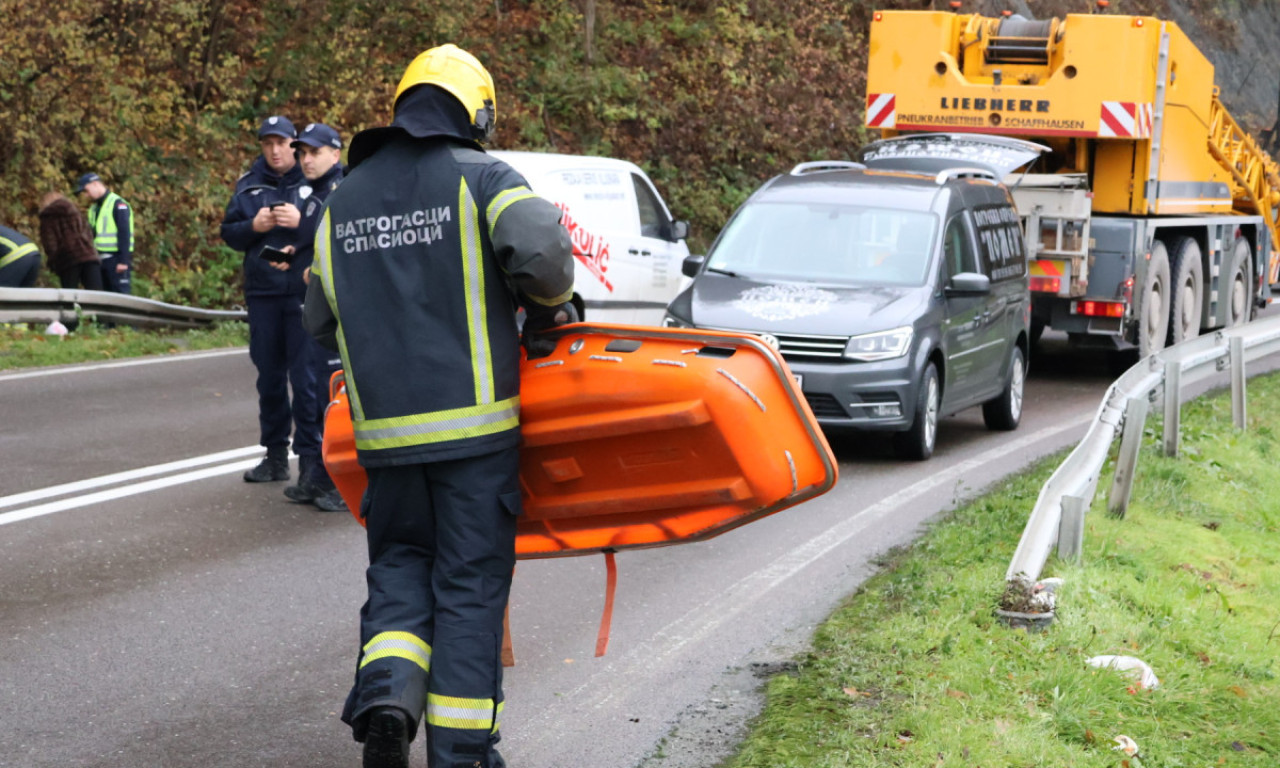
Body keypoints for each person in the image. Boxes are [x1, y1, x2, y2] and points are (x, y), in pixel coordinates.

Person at [303, 44, 575, 768]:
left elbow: (316, 319)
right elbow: (542, 254)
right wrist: (548, 308)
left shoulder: (344, 199)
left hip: (385, 444)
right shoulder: (482, 177)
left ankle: (388, 698)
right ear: (477, 110)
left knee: (398, 569)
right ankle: (461, 752)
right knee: (467, 588)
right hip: (475, 442)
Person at [220, 115, 321, 485]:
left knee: (306, 378)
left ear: (294, 144)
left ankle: (311, 459)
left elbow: (335, 225)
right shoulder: (248, 186)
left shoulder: (316, 181)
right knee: (270, 377)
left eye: (282, 143)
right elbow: (228, 233)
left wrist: (300, 222)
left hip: (303, 292)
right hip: (263, 293)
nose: (275, 151)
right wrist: (253, 227)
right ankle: (275, 455)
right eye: (268, 144)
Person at [280, 122, 348, 513]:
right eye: (302, 153)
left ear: (334, 154)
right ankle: (316, 475)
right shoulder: (313, 195)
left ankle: (344, 482)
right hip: (310, 311)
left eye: (314, 152)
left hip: (335, 315)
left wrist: (321, 271)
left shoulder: (345, 194)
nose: (306, 159)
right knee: (309, 393)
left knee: (334, 396)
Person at [77, 173, 135, 294]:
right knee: (105, 296)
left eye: (87, 190)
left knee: (120, 297)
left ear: (95, 184)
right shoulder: (93, 208)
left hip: (116, 259)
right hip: (99, 259)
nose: (86, 195)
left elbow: (124, 233)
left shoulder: (117, 204)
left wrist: (123, 261)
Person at [38, 193, 102, 290]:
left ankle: (72, 305)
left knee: (70, 293)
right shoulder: (75, 211)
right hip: (88, 254)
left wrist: (53, 261)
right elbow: (88, 232)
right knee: (96, 292)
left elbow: (50, 243)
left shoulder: (47, 217)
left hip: (67, 258)